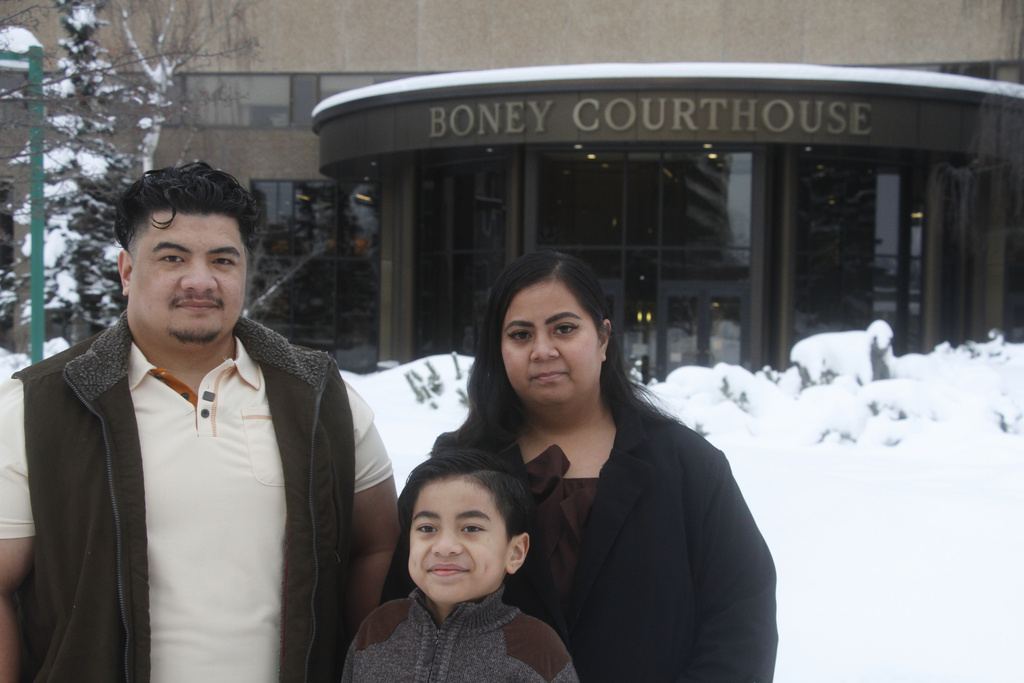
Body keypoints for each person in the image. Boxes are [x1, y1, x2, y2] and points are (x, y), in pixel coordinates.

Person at [0, 162, 400, 683]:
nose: (200, 280)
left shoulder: (322, 397)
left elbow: (378, 544)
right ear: (126, 271)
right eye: (172, 257)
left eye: (223, 259)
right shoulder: (38, 405)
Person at [388, 250, 778, 682]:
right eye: (520, 334)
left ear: (604, 337)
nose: (542, 350)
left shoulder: (688, 467)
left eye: (564, 328)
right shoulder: (455, 471)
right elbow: (402, 617)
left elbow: (742, 622)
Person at [344, 449, 578, 683]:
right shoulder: (378, 629)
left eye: (471, 528)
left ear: (515, 552)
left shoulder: (536, 648)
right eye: (427, 528)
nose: (444, 547)